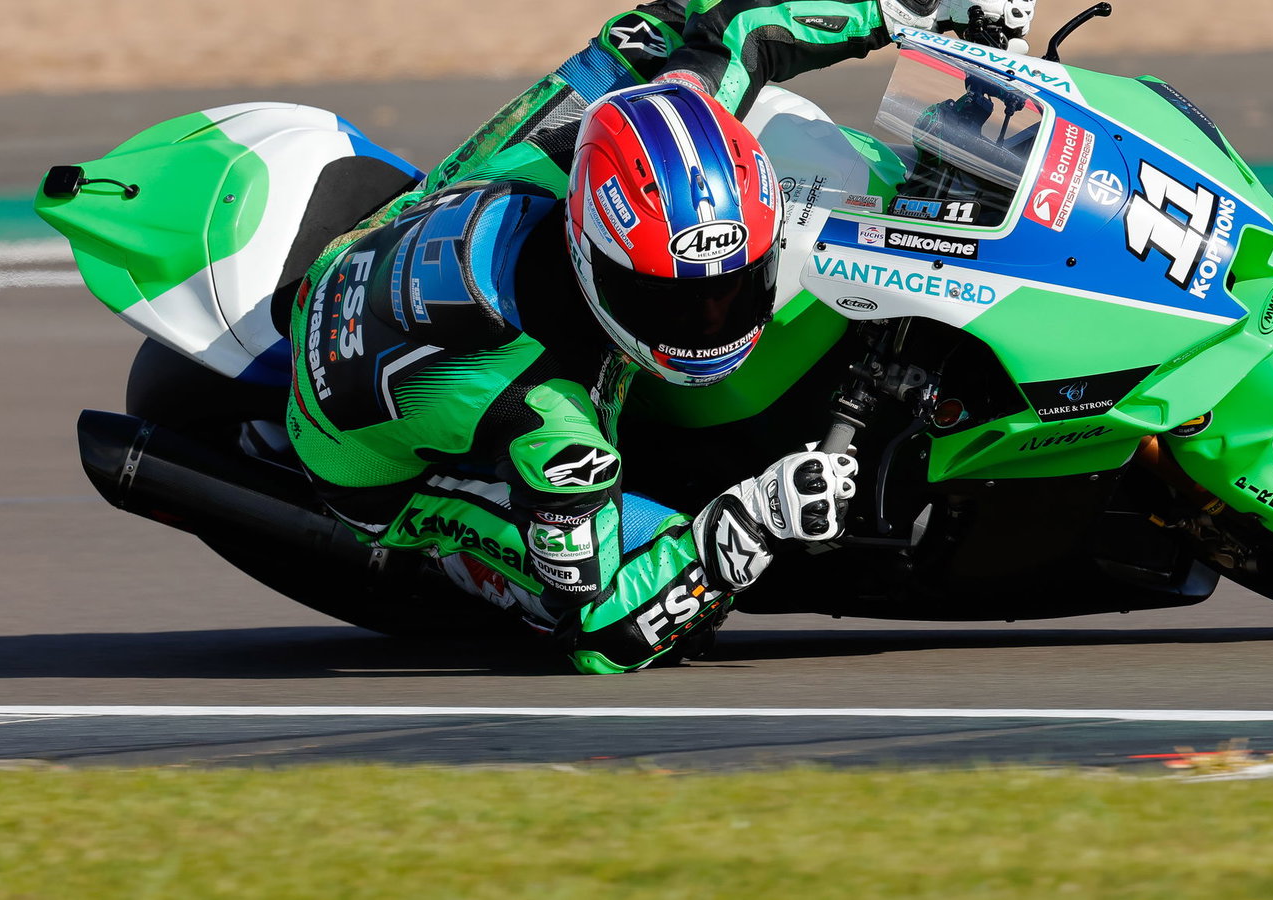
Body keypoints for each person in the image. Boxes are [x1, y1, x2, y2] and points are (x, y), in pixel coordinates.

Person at [283, 0, 1036, 674]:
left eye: (733, 287)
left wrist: (907, 9)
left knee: (645, 37)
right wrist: (754, 519)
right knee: (622, 576)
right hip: (369, 453)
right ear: (593, 257)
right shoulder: (552, 421)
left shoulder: (605, 133)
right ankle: (435, 530)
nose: (710, 324)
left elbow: (733, 24)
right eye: (672, 303)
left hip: (428, 222)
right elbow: (601, 628)